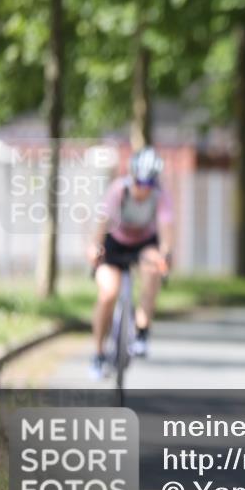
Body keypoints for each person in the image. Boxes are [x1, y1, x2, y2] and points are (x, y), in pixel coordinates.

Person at [86, 147, 174, 378]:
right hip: (115, 243)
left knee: (153, 268)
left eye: (149, 184)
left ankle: (142, 330)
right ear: (132, 176)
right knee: (108, 293)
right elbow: (102, 222)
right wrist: (95, 247)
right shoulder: (118, 190)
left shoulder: (160, 195)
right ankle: (98, 354)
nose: (143, 189)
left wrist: (165, 253)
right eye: (139, 183)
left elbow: (166, 229)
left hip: (144, 243)